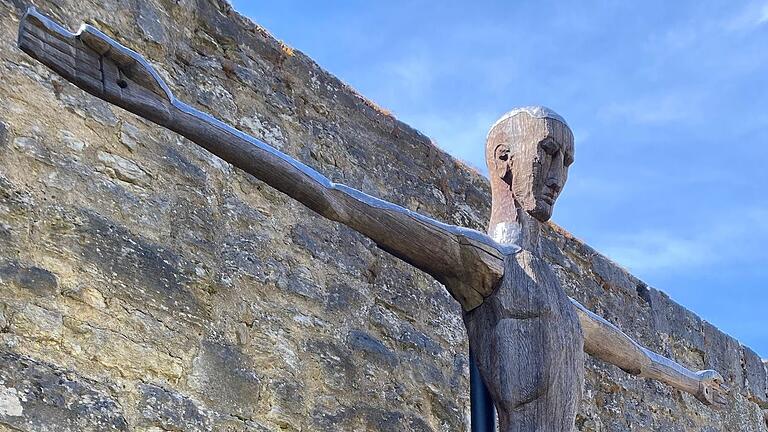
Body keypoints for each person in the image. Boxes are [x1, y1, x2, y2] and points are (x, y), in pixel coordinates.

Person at [17, 8, 729, 431]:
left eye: (567, 160)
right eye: (545, 153)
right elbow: (334, 197)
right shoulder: (486, 265)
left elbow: (638, 356)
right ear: (505, 161)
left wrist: (692, 381)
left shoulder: (563, 306)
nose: (557, 174)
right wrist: (178, 113)